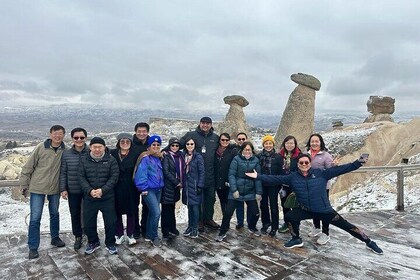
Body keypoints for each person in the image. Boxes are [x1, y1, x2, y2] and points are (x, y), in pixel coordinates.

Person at [245, 154, 383, 255]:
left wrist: (357, 163)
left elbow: (341, 169)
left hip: (324, 211)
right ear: (298, 164)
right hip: (306, 210)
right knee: (290, 216)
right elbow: (275, 179)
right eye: (301, 163)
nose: (304, 164)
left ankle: (369, 242)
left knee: (348, 227)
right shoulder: (293, 177)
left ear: (310, 163)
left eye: (306, 162)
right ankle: (296, 238)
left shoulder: (321, 174)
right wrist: (258, 176)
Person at [20, 125, 67, 259]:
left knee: (54, 213)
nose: (57, 136)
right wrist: (24, 184)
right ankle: (33, 247)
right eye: (55, 133)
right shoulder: (41, 147)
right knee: (35, 218)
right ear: (50, 134)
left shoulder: (65, 150)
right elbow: (28, 166)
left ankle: (55, 237)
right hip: (37, 187)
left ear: (64, 135)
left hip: (54, 188)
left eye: (60, 134)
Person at [79, 137, 119, 255]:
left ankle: (110, 243)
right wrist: (90, 191)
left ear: (104, 148)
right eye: (94, 147)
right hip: (89, 197)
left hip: (107, 197)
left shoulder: (111, 160)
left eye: (99, 147)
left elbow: (114, 177)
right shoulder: (84, 160)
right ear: (90, 147)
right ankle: (93, 242)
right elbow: (81, 177)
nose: (97, 149)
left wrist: (103, 190)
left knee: (110, 221)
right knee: (88, 221)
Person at [216, 141, 262, 242]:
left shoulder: (256, 160)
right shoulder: (236, 159)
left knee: (255, 213)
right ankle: (222, 231)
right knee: (228, 212)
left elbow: (258, 177)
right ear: (242, 150)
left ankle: (252, 227)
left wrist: (259, 192)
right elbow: (231, 175)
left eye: (249, 150)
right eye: (245, 149)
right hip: (237, 191)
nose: (247, 151)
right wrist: (234, 190)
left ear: (252, 151)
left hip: (250, 191)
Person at [180, 116, 219, 231]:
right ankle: (199, 221)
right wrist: (164, 151)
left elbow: (224, 147)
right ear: (200, 124)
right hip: (195, 176)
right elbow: (178, 144)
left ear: (211, 125)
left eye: (208, 123)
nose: (205, 125)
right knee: (198, 200)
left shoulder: (215, 138)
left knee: (210, 199)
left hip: (210, 175)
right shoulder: (191, 135)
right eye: (203, 123)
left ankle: (208, 219)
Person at [59, 127, 89, 250]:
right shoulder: (66, 154)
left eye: (81, 137)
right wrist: (63, 188)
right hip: (73, 189)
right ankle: (78, 236)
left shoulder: (91, 151)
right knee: (75, 214)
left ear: (85, 138)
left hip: (88, 189)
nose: (79, 140)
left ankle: (90, 234)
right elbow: (63, 172)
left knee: (88, 214)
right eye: (76, 137)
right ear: (72, 139)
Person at [134, 135, 164, 247]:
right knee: (156, 212)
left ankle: (148, 234)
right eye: (153, 145)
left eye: (158, 145)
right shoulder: (145, 158)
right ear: (149, 146)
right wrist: (143, 188)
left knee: (152, 213)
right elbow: (141, 175)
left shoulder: (159, 157)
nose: (156, 147)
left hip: (158, 189)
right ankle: (154, 236)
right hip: (149, 190)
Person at [305, 133, 336, 245]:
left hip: (323, 188)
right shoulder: (306, 154)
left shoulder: (326, 155)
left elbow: (330, 172)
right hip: (310, 187)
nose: (314, 143)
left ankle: (326, 233)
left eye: (316, 141)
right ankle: (316, 227)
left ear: (320, 142)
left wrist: (334, 166)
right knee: (314, 209)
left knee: (324, 210)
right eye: (312, 141)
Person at [110, 133, 139, 246]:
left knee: (131, 211)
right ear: (118, 143)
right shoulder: (112, 153)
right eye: (122, 142)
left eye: (127, 142)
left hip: (131, 187)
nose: (125, 144)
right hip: (116, 187)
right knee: (117, 211)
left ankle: (130, 234)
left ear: (131, 143)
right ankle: (119, 234)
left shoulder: (136, 154)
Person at [258, 135, 282, 237]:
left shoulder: (278, 157)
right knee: (263, 205)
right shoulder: (259, 156)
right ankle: (266, 223)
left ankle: (274, 226)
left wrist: (280, 185)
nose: (268, 145)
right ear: (263, 145)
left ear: (273, 144)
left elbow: (280, 172)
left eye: (270, 143)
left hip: (273, 185)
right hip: (263, 184)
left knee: (273, 205)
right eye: (266, 143)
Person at [161, 137, 185, 239]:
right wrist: (176, 182)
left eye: (177, 145)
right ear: (169, 146)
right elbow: (166, 172)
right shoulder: (166, 156)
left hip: (176, 187)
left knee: (172, 208)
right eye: (173, 145)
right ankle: (165, 230)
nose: (175, 147)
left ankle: (172, 228)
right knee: (166, 208)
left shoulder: (180, 156)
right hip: (168, 186)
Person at [277, 135, 302, 233]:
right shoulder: (280, 156)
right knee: (285, 205)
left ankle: (296, 224)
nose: (289, 145)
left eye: (291, 143)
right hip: (283, 185)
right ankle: (287, 223)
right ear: (284, 144)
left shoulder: (299, 156)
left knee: (295, 205)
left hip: (295, 185)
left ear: (295, 144)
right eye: (287, 143)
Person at [182, 137, 205, 238]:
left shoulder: (198, 157)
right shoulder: (183, 156)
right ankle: (190, 226)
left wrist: (200, 185)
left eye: (192, 144)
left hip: (195, 186)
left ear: (195, 145)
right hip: (187, 186)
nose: (190, 146)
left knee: (195, 208)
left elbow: (202, 172)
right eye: (188, 144)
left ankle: (195, 228)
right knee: (189, 207)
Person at [131, 122, 150, 239]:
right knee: (134, 205)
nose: (141, 134)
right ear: (135, 132)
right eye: (139, 131)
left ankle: (145, 227)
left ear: (147, 132)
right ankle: (135, 229)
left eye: (144, 131)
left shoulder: (151, 144)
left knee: (146, 205)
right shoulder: (131, 144)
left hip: (147, 181)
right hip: (132, 180)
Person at [214, 133, 238, 216]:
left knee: (229, 203)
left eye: (227, 140)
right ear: (219, 140)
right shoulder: (215, 151)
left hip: (228, 180)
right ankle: (225, 221)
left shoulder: (232, 151)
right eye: (222, 140)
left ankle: (226, 222)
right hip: (218, 181)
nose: (224, 141)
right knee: (222, 201)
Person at [234, 132, 248, 229]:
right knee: (239, 203)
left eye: (243, 139)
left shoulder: (251, 151)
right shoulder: (233, 151)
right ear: (236, 140)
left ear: (246, 139)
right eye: (239, 139)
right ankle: (240, 222)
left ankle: (251, 223)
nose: (241, 141)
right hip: (238, 181)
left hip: (249, 181)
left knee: (250, 203)